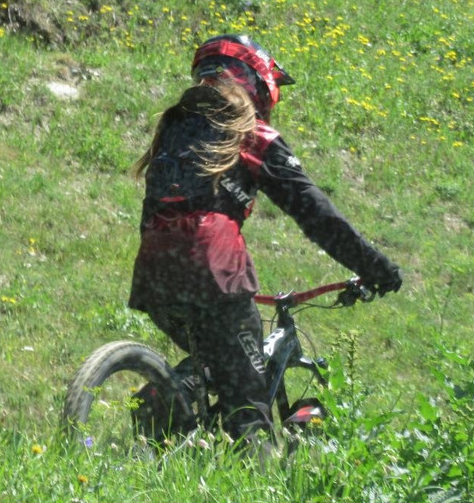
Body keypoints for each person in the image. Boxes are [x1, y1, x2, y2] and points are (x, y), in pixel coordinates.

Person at [128, 34, 402, 440]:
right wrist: (376, 267)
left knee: (215, 363)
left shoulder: (172, 131)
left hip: (153, 274)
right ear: (258, 81)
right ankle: (247, 479)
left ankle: (164, 411)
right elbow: (318, 217)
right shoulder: (252, 135)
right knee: (247, 400)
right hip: (214, 268)